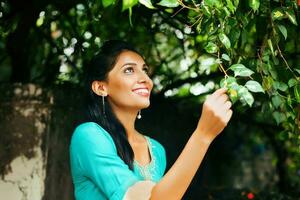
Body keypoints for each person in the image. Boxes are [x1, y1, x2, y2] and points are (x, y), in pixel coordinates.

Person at [69, 40, 233, 200]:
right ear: (101, 88)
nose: (146, 79)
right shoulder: (89, 136)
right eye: (129, 70)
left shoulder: (156, 149)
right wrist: (202, 136)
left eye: (145, 70)